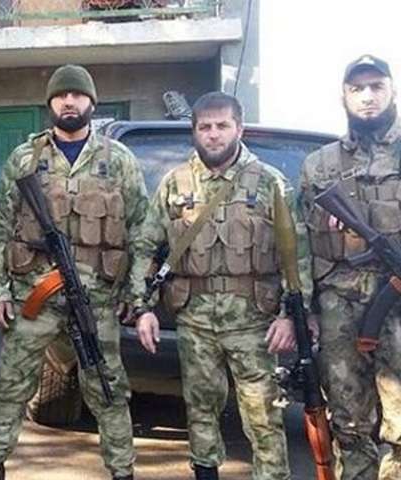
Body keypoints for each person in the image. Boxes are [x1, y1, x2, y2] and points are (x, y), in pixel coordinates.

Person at [0, 64, 146, 480]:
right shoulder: (25, 159)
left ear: (92, 103)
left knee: (107, 388)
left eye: (78, 95)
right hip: (34, 293)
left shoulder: (118, 160)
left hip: (97, 298)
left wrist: (135, 294)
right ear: (50, 103)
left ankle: (122, 470)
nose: (69, 102)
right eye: (61, 95)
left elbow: (141, 230)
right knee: (12, 383)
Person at [130, 92, 303, 480]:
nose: (213, 134)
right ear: (194, 131)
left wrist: (290, 316)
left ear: (239, 129)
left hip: (254, 323)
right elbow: (145, 246)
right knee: (200, 409)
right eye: (205, 127)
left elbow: (297, 256)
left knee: (264, 416)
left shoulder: (270, 183)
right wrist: (143, 308)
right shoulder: (175, 184)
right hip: (195, 320)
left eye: (222, 125)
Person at [298, 54, 401, 480]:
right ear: (343, 97)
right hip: (339, 308)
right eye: (357, 89)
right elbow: (302, 245)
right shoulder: (320, 165)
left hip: (398, 308)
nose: (367, 97)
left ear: (392, 91)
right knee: (350, 423)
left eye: (376, 87)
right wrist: (304, 311)